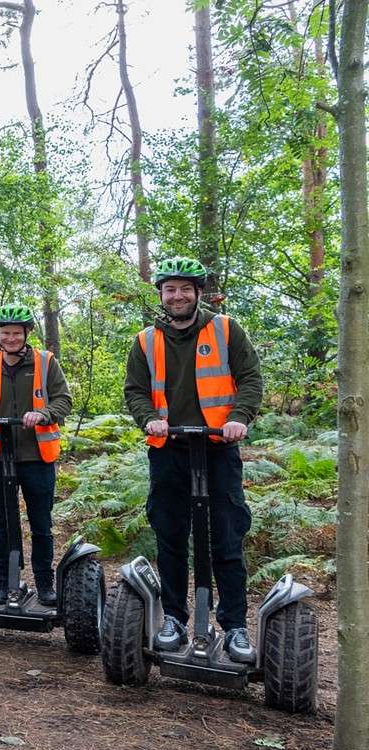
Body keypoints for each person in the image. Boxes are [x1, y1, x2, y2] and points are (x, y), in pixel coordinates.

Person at [123, 256, 263, 663]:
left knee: (227, 537)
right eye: (170, 289)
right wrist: (149, 418)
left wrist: (239, 417)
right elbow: (135, 390)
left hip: (218, 449)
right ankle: (174, 619)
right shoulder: (146, 341)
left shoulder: (225, 329)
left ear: (199, 293)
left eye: (186, 288)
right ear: (161, 295)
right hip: (169, 451)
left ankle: (234, 626)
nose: (178, 295)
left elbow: (250, 378)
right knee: (170, 537)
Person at [0, 305, 72, 606]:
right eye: (5, 333)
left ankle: (45, 583)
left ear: (26, 334)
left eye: (16, 333)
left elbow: (63, 400)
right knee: (3, 523)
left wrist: (43, 414)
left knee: (41, 524)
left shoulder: (45, 362)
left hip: (37, 457)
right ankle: (7, 582)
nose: (11, 338)